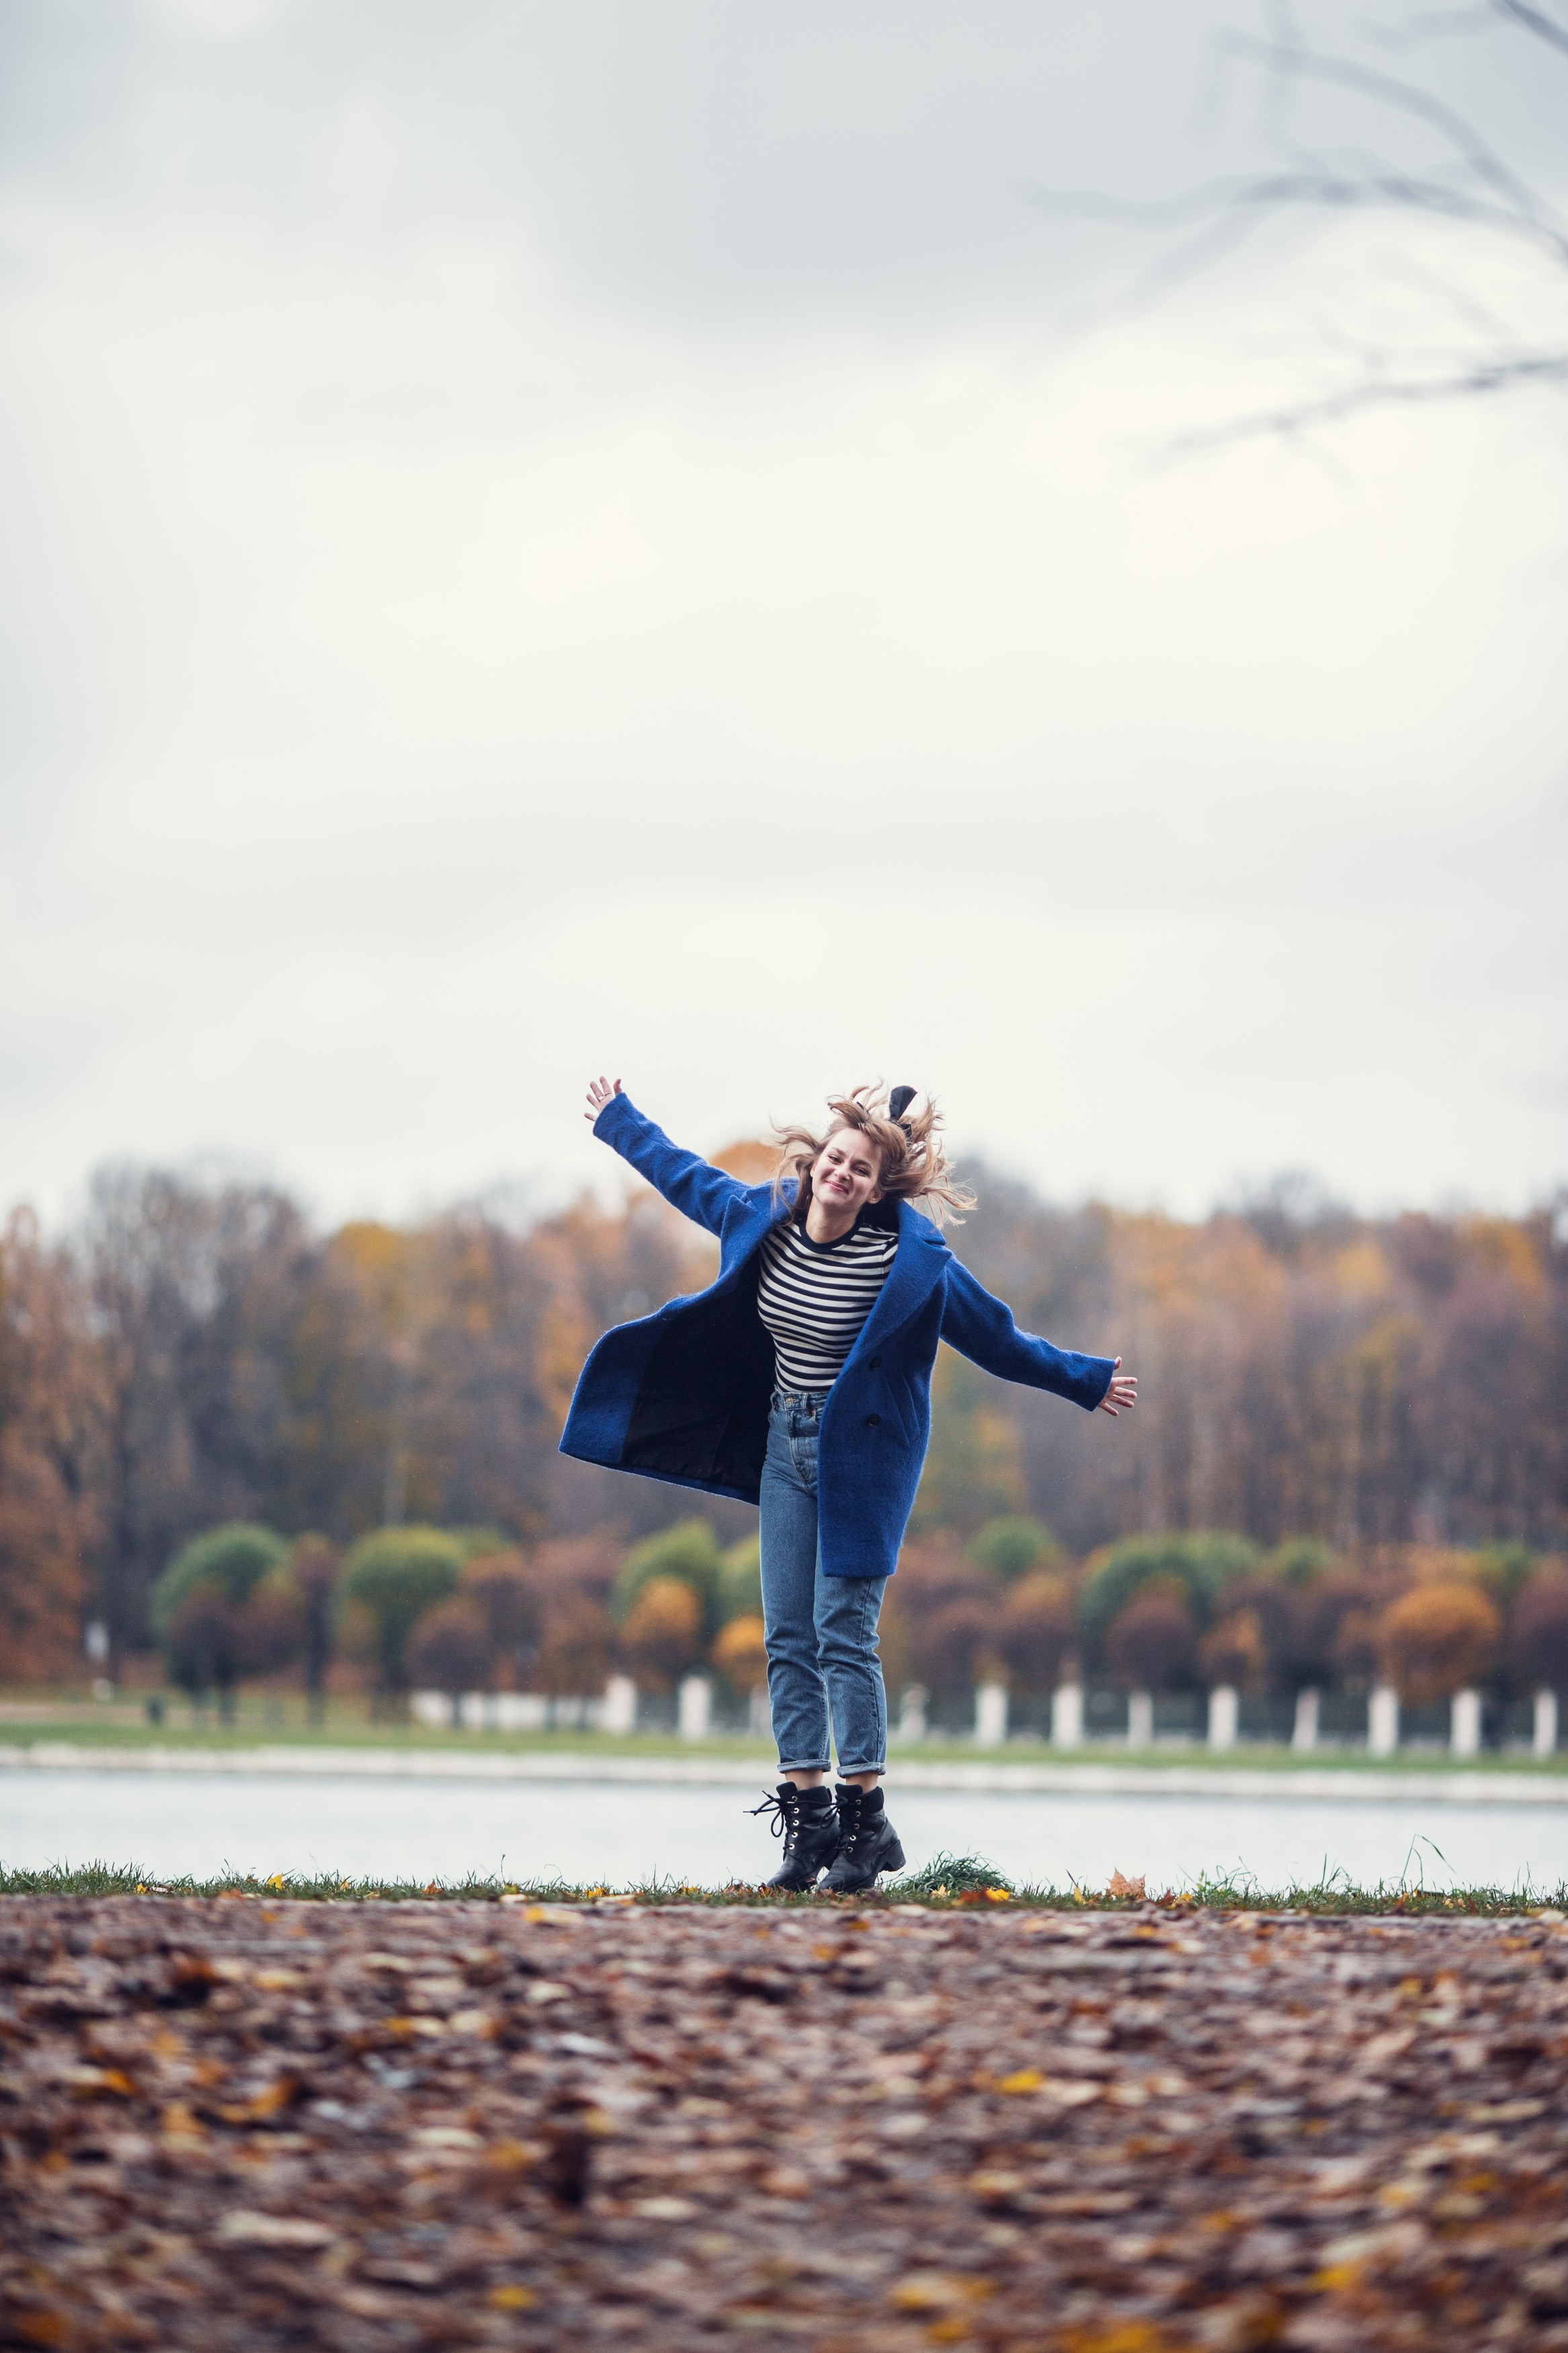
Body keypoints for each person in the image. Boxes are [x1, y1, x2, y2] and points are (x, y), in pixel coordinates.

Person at [563, 1078, 1137, 1892]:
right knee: (785, 1634)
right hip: (782, 1443)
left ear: (875, 1188)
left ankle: (867, 1824)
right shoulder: (758, 1216)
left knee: (843, 1629)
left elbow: (997, 1337)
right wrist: (620, 1121)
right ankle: (810, 1822)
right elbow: (682, 1174)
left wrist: (1084, 1379)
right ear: (813, 1164)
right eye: (834, 1159)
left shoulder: (909, 1264)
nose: (841, 1174)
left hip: (862, 1460)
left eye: (860, 1169)